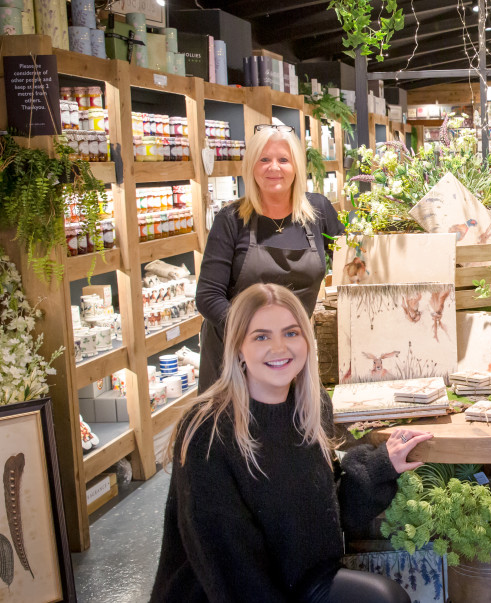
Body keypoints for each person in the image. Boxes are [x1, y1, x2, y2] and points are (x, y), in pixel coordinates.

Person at [152, 283, 431, 603]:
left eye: (290, 333)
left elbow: (325, 514)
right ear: (238, 347)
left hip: (301, 578)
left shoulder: (310, 408)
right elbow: (228, 563)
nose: (279, 347)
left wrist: (383, 465)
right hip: (227, 593)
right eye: (261, 336)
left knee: (387, 598)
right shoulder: (208, 431)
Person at [196, 123, 343, 391]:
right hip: (234, 355)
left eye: (283, 160)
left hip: (292, 354)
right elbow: (208, 296)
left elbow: (353, 266)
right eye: (264, 159)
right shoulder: (231, 220)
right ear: (251, 166)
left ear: (296, 166)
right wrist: (256, 336)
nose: (273, 167)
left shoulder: (318, 211)